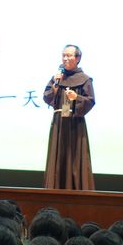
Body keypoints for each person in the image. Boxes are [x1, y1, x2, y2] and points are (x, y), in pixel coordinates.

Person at [43, 44, 95, 190]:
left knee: (75, 157)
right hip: (59, 123)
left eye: (69, 55)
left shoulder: (85, 79)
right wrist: (55, 86)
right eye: (64, 55)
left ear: (78, 58)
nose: (65, 58)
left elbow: (90, 101)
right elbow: (47, 97)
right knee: (57, 156)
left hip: (75, 123)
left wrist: (76, 97)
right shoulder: (57, 78)